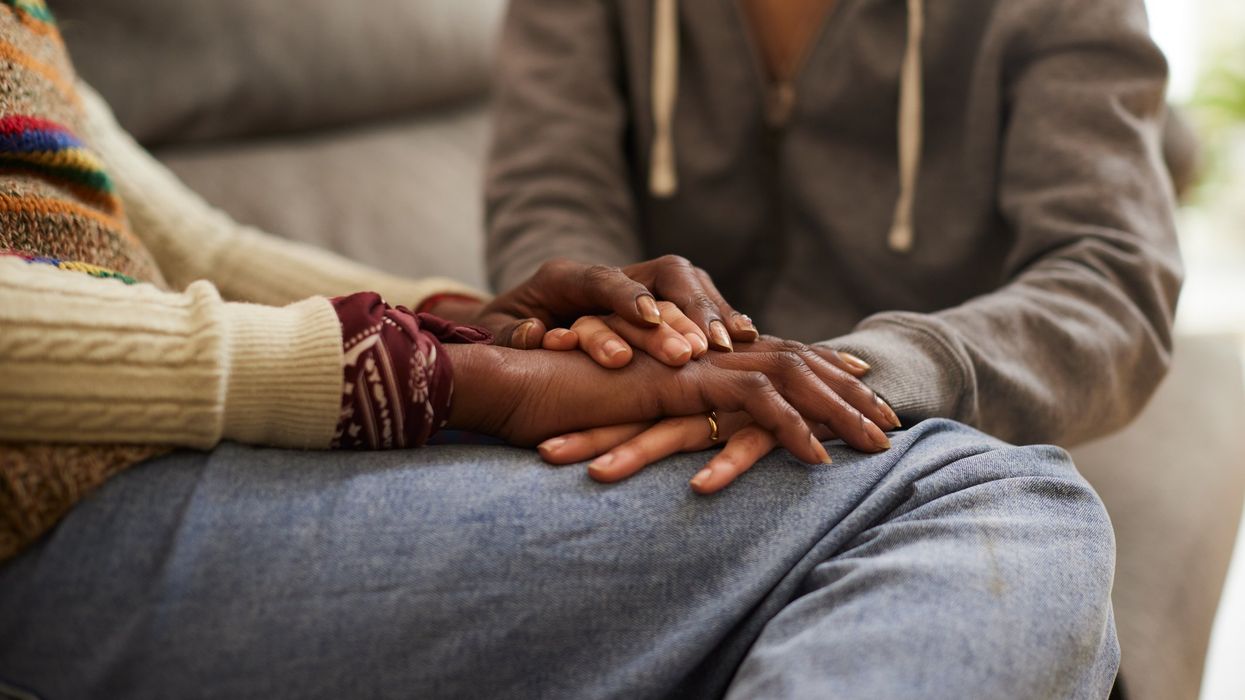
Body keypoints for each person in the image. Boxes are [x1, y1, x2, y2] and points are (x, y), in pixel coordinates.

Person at [1, 2, 1119, 698]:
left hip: (161, 461)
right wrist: (465, 374)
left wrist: (474, 317)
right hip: (59, 508)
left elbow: (194, 245)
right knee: (998, 503)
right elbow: (550, 198)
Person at [482, 0, 1189, 694]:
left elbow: (1111, 280)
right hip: (634, 423)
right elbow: (550, 202)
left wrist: (863, 375)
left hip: (907, 437)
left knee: (1037, 540)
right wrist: (624, 341)